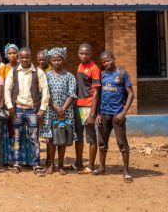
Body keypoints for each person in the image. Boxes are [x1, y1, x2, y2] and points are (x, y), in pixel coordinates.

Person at [4, 47, 50, 175]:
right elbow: (7, 89)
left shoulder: (38, 72)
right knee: (17, 137)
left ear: (31, 58)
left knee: (34, 138)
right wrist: (9, 106)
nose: (24, 59)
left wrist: (42, 109)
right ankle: (17, 163)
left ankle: (36, 164)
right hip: (17, 109)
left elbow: (45, 91)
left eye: (27, 57)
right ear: (19, 57)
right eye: (22, 57)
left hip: (32, 110)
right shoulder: (13, 72)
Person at [94, 51, 134, 183]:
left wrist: (123, 113)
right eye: (103, 62)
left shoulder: (122, 74)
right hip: (104, 114)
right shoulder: (102, 74)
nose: (106, 64)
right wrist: (98, 113)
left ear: (114, 59)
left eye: (108, 60)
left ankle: (126, 171)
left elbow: (130, 94)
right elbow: (98, 94)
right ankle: (102, 168)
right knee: (102, 143)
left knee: (122, 143)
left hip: (117, 115)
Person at [40, 47, 77, 175]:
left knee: (62, 138)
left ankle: (60, 165)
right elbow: (45, 93)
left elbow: (72, 94)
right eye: (54, 60)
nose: (56, 62)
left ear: (63, 59)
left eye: (59, 59)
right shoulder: (46, 76)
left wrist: (63, 109)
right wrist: (55, 107)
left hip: (65, 112)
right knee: (51, 139)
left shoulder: (70, 76)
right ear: (50, 61)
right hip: (51, 111)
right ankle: (51, 164)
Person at [74, 43, 101, 174]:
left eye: (87, 54)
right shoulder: (80, 66)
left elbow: (96, 92)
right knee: (78, 136)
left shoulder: (94, 68)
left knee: (90, 137)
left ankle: (90, 166)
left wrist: (92, 113)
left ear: (91, 54)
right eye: (82, 53)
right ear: (78, 53)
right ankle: (78, 163)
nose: (84, 56)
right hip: (78, 105)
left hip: (88, 106)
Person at [0, 44, 19, 166]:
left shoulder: (23, 67)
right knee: (8, 130)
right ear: (6, 55)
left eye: (14, 53)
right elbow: (0, 88)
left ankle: (19, 157)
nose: (12, 55)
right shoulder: (3, 69)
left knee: (19, 130)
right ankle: (9, 157)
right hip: (7, 103)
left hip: (21, 103)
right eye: (9, 53)